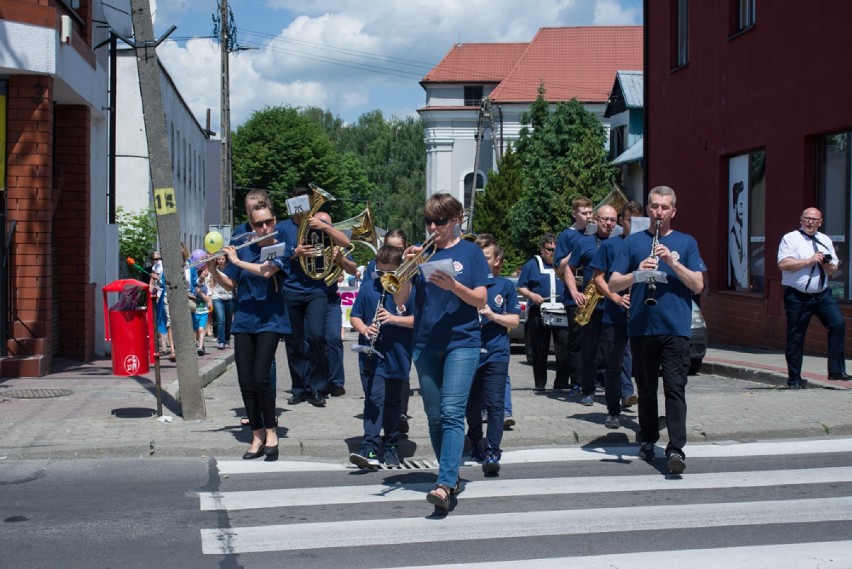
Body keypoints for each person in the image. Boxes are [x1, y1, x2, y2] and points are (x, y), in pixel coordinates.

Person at [391, 192, 491, 513]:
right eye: (429, 221)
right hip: (425, 343)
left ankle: (445, 484)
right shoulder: (422, 253)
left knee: (451, 412)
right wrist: (407, 266)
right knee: (434, 417)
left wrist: (454, 287)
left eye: (441, 221)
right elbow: (398, 300)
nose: (433, 226)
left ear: (456, 219)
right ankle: (450, 475)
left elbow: (479, 300)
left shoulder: (471, 252)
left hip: (462, 341)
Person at [609, 186, 706, 475]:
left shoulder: (687, 243)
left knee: (675, 388)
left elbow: (698, 285)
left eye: (664, 207)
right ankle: (649, 438)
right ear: (648, 210)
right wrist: (637, 274)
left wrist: (673, 262)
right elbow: (614, 283)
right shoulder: (632, 242)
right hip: (641, 326)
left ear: (673, 211)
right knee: (647, 389)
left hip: (676, 328)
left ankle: (676, 448)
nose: (659, 212)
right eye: (654, 207)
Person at [207, 200, 289, 459]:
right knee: (245, 380)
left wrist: (236, 260)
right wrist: (213, 269)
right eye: (259, 224)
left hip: (270, 320)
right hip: (244, 319)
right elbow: (231, 283)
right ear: (251, 226)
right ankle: (257, 434)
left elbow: (267, 272)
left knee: (261, 377)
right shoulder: (243, 248)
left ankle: (271, 430)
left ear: (274, 221)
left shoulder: (279, 248)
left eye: (268, 222)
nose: (265, 227)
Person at [279, 186, 352, 408]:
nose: (301, 210)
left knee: (317, 337)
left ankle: (318, 388)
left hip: (316, 290)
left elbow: (345, 243)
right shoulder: (283, 227)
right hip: (291, 289)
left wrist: (325, 227)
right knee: (294, 341)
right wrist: (296, 253)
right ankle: (299, 388)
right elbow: (274, 255)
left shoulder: (316, 224)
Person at [348, 245, 414, 468]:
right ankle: (370, 446)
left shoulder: (409, 289)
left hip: (399, 353)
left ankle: (391, 445)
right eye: (380, 272)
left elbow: (420, 320)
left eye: (390, 273)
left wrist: (394, 319)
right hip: (372, 354)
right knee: (374, 401)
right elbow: (355, 317)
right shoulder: (369, 288)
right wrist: (365, 329)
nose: (385, 278)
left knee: (394, 403)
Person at [465, 234, 520, 475]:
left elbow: (515, 320)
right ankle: (475, 439)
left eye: (486, 257)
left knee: (495, 404)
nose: (481, 260)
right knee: (471, 404)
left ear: (497, 260)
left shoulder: (506, 286)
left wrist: (493, 315)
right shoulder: (466, 284)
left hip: (496, 351)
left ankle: (492, 450)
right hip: (469, 350)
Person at [777, 207, 850, 387]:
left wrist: (829, 266)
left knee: (838, 323)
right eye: (807, 218)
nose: (810, 222)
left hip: (822, 294)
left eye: (814, 219)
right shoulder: (791, 238)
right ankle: (794, 379)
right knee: (796, 336)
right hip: (797, 295)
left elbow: (833, 267)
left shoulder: (825, 240)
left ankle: (836, 370)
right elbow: (783, 264)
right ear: (801, 220)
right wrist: (809, 261)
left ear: (820, 222)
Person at [565, 205, 618, 407]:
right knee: (590, 349)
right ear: (596, 220)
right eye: (604, 219)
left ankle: (617, 391)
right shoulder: (583, 242)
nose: (608, 223)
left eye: (612, 220)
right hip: (592, 302)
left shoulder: (621, 243)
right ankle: (588, 390)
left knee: (615, 350)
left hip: (614, 303)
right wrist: (574, 292)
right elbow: (568, 269)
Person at [517, 233, 572, 390]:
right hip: (539, 311)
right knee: (540, 348)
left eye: (555, 249)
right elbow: (521, 286)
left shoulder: (563, 264)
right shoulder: (531, 265)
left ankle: (561, 382)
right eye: (549, 249)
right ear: (542, 249)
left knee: (564, 347)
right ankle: (540, 383)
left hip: (561, 311)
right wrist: (532, 295)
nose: (552, 253)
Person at [314, 211, 357, 398]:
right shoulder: (309, 241)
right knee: (315, 341)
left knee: (333, 338)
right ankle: (318, 382)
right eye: (320, 223)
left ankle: (336, 382)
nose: (323, 227)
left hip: (330, 298)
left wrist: (340, 258)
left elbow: (353, 270)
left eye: (327, 224)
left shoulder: (338, 243)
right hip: (311, 298)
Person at [553, 197, 593, 389]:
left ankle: (594, 378)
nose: (588, 216)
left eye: (590, 212)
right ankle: (577, 381)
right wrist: (576, 250)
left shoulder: (595, 233)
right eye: (584, 213)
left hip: (595, 290)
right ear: (574, 214)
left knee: (597, 340)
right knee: (577, 339)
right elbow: (559, 267)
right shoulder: (566, 236)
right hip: (575, 293)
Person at [210, 255, 234, 349]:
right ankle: (221, 341)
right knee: (221, 320)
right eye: (219, 259)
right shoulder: (214, 270)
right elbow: (212, 285)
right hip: (217, 297)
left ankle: (227, 339)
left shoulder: (230, 270)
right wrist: (211, 297)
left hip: (229, 296)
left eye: (222, 259)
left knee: (228, 321)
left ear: (226, 260)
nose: (221, 261)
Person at [729, 181, 748, 289]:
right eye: (740, 205)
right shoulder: (733, 236)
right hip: (739, 288)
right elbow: (739, 277)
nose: (742, 210)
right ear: (735, 205)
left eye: (744, 205)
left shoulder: (743, 231)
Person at [193, 264, 211, 356]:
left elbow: (207, 299)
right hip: (194, 311)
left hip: (203, 311)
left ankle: (200, 347)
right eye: (202, 273)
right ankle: (202, 344)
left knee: (201, 329)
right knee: (196, 331)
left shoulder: (206, 286)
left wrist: (200, 293)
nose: (204, 275)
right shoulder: (194, 284)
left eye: (205, 273)